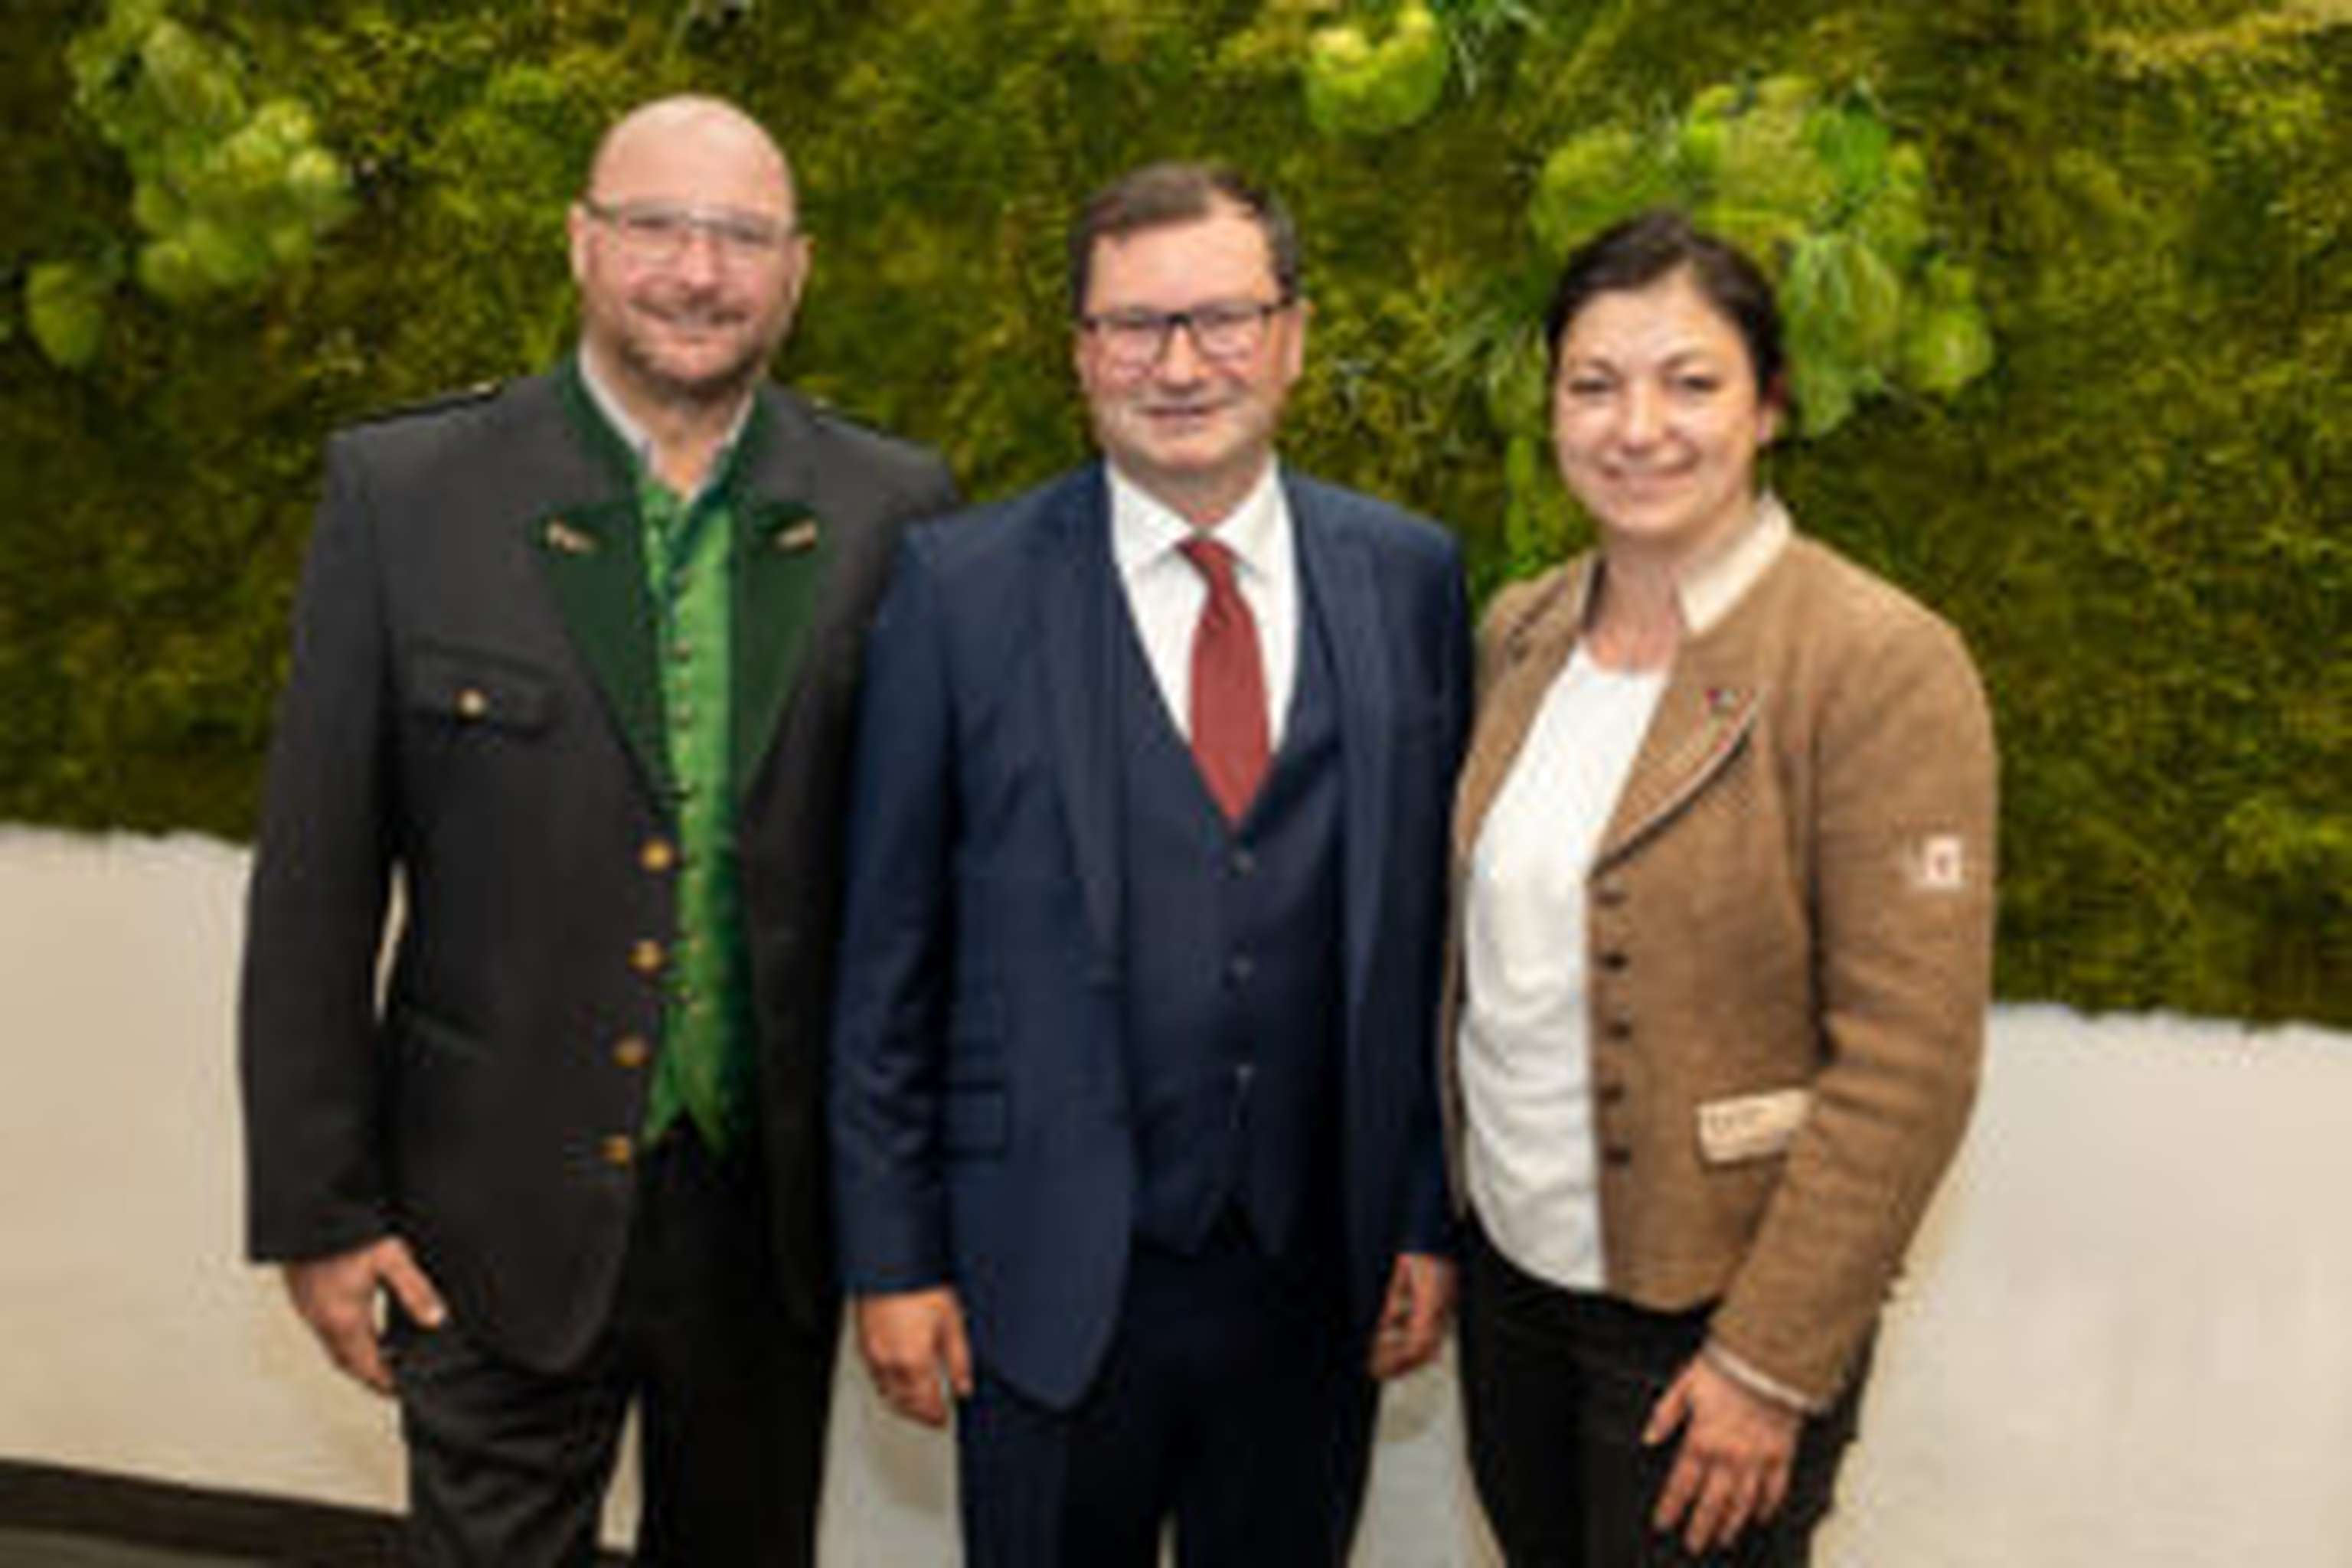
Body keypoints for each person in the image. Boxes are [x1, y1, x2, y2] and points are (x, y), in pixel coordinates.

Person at [238, 94, 956, 1565]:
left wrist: (917, 1210)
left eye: (742, 236)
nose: (698, 271)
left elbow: (920, 893)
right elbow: (316, 880)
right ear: (581, 242)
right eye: (657, 228)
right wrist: (318, 1207)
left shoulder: (895, 508)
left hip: (769, 1225)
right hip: (479, 1208)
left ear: (797, 270)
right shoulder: (406, 492)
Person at [828, 161, 1469, 1566]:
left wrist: (1425, 1212)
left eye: (1223, 320)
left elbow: (1426, 947)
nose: (1179, 366)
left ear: (1294, 336)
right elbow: (886, 952)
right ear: (1080, 354)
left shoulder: (1411, 580)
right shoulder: (959, 590)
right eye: (1133, 327)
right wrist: (894, 1256)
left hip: (1315, 1276)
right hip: (1041, 1278)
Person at [1446, 209, 1996, 1566]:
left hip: (1713, 1318)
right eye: (1594, 384)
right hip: (1513, 1287)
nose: (1639, 426)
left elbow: (1910, 1060)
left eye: (1690, 382)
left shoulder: (1877, 662)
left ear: (1769, 408)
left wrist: (1771, 1362)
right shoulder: (1518, 631)